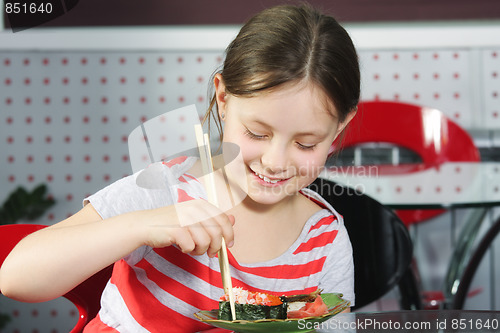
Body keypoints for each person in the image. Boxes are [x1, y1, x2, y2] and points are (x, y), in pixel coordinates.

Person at [0, 3, 360, 332]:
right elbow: (17, 277)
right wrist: (144, 225)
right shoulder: (165, 189)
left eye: (305, 144)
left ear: (338, 129)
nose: (276, 162)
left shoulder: (325, 242)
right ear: (222, 99)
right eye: (256, 132)